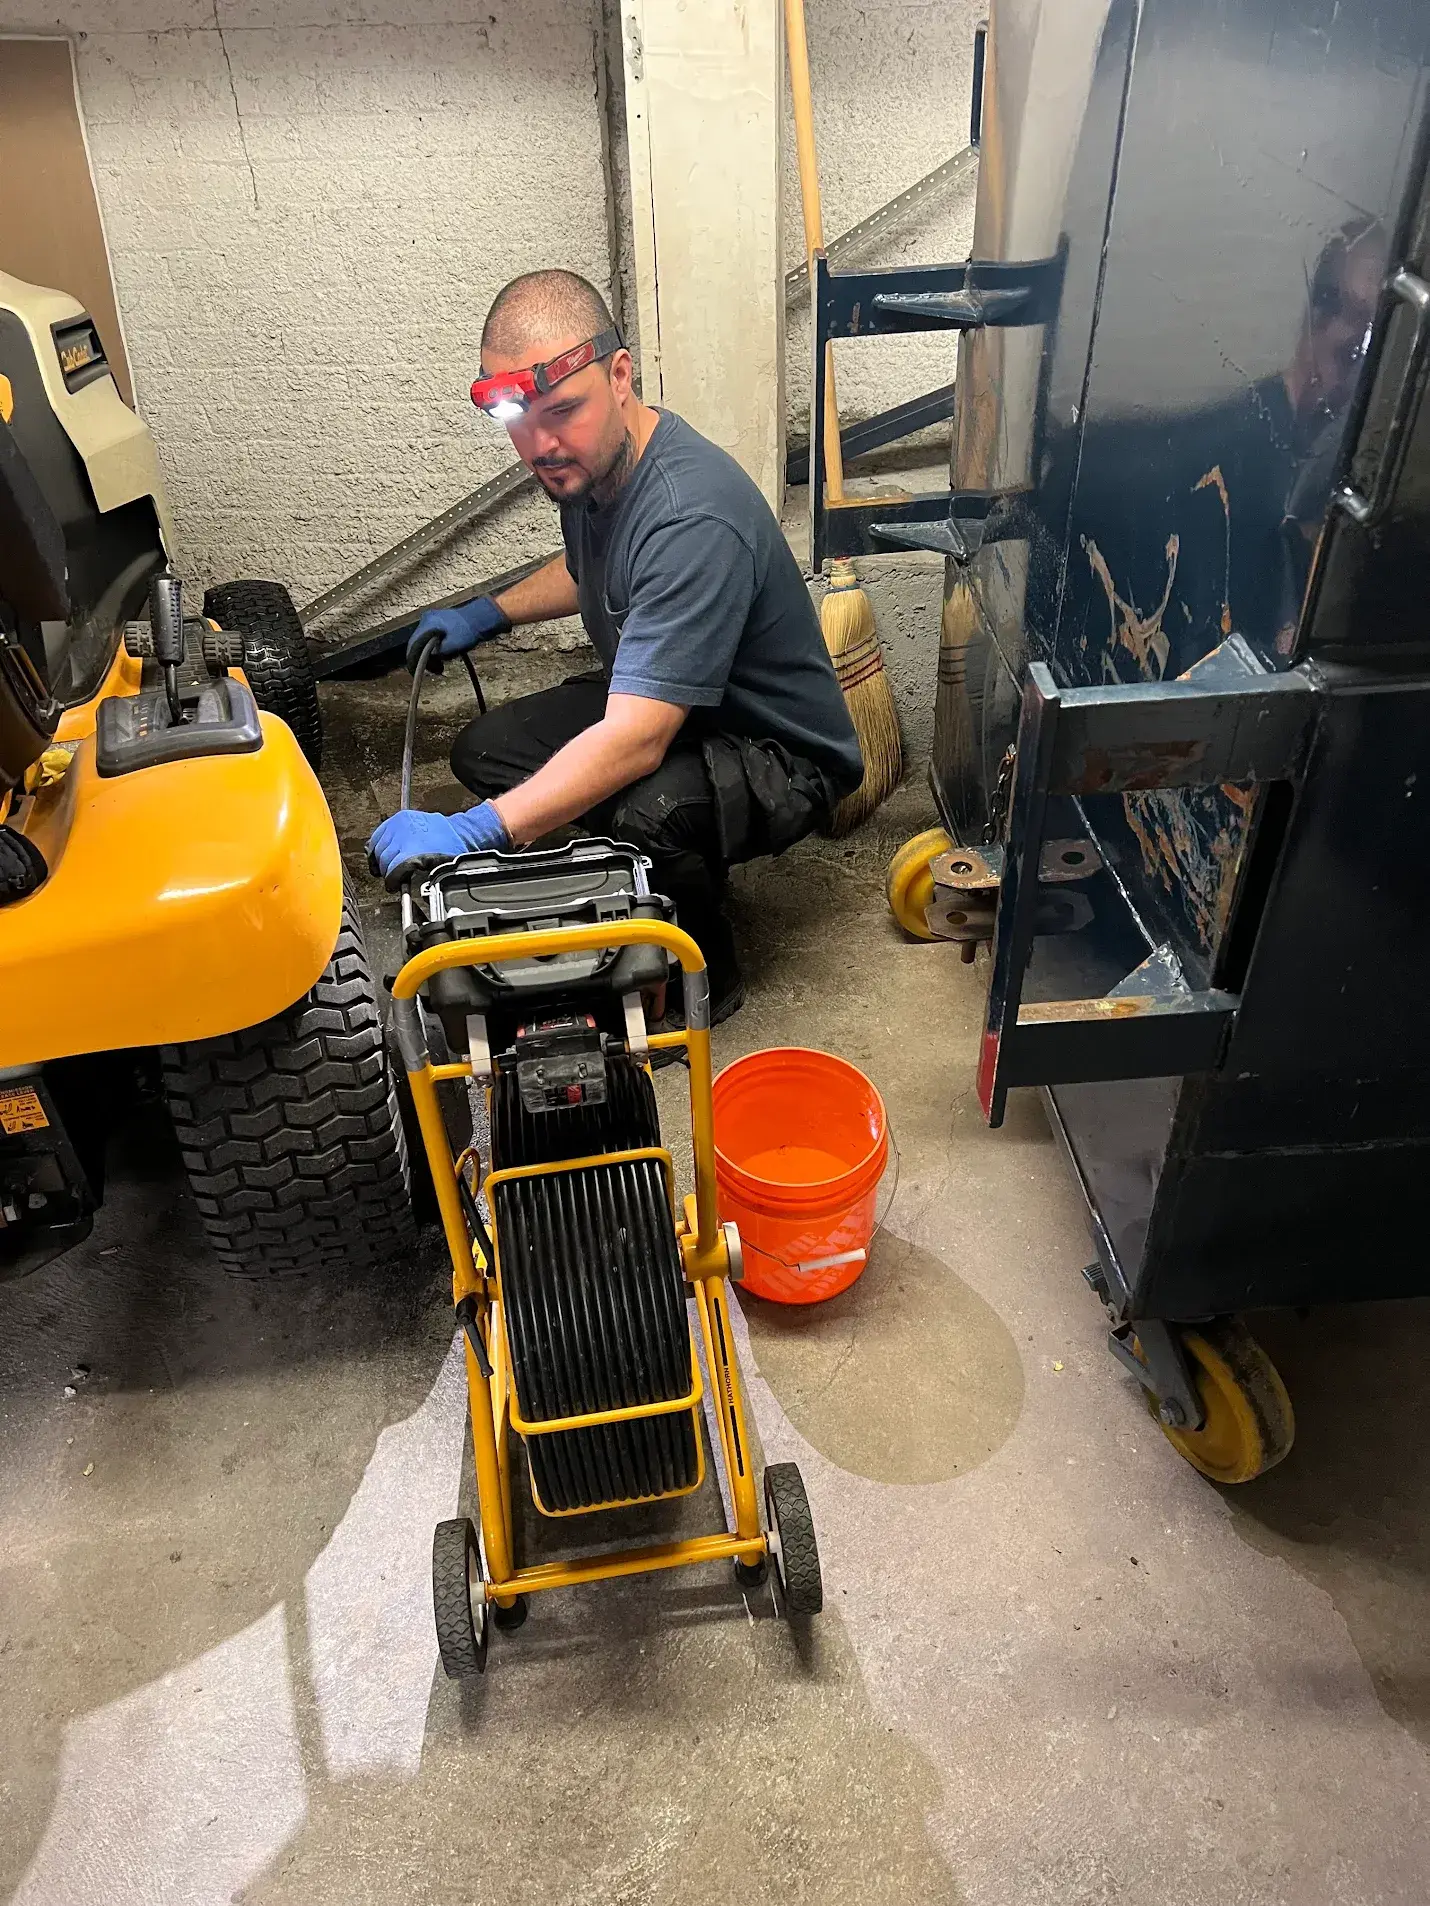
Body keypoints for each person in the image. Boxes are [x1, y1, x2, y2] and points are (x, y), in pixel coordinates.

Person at [367, 269, 862, 1020]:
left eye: (564, 411)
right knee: (488, 751)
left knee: (646, 809)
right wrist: (488, 613)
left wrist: (480, 830)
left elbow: (636, 739)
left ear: (620, 375)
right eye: (520, 421)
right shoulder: (595, 468)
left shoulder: (689, 514)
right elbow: (587, 567)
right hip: (681, 708)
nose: (541, 445)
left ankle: (701, 973)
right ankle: (654, 866)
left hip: (774, 750)